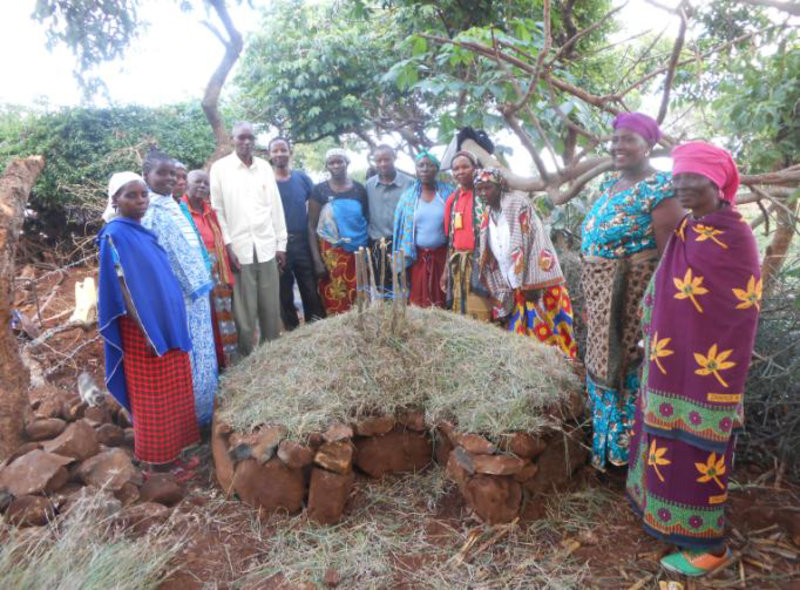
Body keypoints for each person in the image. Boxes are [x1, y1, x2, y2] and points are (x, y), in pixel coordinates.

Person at [626, 142, 759, 576]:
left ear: (717, 184)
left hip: (709, 374)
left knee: (701, 451)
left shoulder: (735, 239)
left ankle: (710, 548)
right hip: (669, 362)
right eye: (676, 178)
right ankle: (670, 521)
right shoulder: (690, 229)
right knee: (668, 444)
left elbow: (736, 312)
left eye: (691, 179)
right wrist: (650, 329)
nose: (681, 187)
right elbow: (665, 285)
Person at [581, 112, 684, 471]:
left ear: (649, 146)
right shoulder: (608, 188)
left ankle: (634, 459)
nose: (618, 145)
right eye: (615, 139)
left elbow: (671, 259)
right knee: (602, 369)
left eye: (628, 139)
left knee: (629, 369)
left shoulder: (661, 189)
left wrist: (660, 313)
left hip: (634, 300)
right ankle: (606, 453)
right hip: (601, 293)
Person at [98, 172, 199, 470]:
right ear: (115, 200)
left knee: (172, 387)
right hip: (144, 331)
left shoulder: (140, 230)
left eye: (143, 194)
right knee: (152, 395)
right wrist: (147, 331)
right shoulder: (114, 235)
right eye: (131, 195)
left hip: (165, 324)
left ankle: (177, 450)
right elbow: (123, 289)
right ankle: (159, 462)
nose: (141, 201)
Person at [141, 149, 218, 428]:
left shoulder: (171, 204)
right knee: (192, 357)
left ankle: (206, 412)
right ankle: (195, 420)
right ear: (146, 175)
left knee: (203, 352)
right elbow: (170, 255)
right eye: (162, 173)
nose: (169, 178)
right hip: (181, 296)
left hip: (197, 293)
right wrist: (198, 283)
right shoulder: (150, 211)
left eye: (173, 173)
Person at [475, 169, 577, 357]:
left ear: (500, 186)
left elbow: (536, 241)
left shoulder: (518, 204)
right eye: (479, 189)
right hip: (515, 286)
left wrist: (532, 282)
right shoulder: (487, 213)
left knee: (549, 341)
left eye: (487, 188)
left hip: (538, 286)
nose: (483, 193)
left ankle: (563, 374)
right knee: (523, 346)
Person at [210, 122, 287, 355]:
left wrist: (281, 245)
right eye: (241, 137)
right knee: (244, 314)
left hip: (266, 246)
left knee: (271, 309)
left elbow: (275, 207)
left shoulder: (264, 167)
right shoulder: (220, 169)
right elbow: (218, 210)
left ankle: (271, 357)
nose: (246, 142)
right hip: (239, 250)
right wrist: (228, 245)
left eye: (250, 138)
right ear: (233, 139)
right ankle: (245, 362)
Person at [182, 170, 239, 369]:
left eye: (206, 183)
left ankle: (228, 363)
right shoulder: (180, 210)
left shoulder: (211, 211)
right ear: (186, 184)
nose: (202, 186)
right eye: (197, 182)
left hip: (218, 270)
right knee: (204, 319)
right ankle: (208, 366)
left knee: (223, 316)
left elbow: (222, 242)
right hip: (196, 273)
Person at [268, 137, 326, 330]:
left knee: (309, 288)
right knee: (284, 292)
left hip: (302, 242)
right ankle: (292, 332)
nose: (279, 154)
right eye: (275, 151)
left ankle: (315, 329)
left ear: (289, 152)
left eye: (283, 150)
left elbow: (315, 209)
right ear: (270, 154)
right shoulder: (265, 182)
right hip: (277, 245)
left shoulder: (302, 179)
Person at [308, 148, 369, 314]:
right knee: (334, 294)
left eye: (339, 161)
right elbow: (311, 227)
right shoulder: (319, 190)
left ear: (346, 163)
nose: (336, 165)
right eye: (331, 162)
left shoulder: (359, 189)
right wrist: (317, 261)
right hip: (331, 255)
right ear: (326, 166)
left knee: (358, 292)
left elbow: (364, 220)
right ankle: (337, 332)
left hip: (357, 252)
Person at [392, 150, 452, 307]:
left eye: (430, 165)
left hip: (442, 258)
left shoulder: (448, 194)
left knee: (442, 302)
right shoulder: (408, 197)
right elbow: (400, 229)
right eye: (421, 165)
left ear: (437, 169)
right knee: (418, 303)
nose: (425, 169)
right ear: (416, 170)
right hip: (418, 258)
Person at [441, 150, 494, 320]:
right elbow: (450, 239)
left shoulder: (485, 195)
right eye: (456, 169)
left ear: (476, 168)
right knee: (461, 314)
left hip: (482, 264)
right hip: (458, 264)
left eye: (465, 167)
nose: (460, 172)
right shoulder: (452, 199)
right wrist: (445, 271)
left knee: (482, 313)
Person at [365, 145, 414, 294]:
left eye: (386, 159)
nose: (383, 163)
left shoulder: (409, 183)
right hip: (377, 244)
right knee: (382, 288)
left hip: (402, 244)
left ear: (394, 158)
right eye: (378, 160)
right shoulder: (369, 185)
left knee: (405, 287)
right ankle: (386, 316)